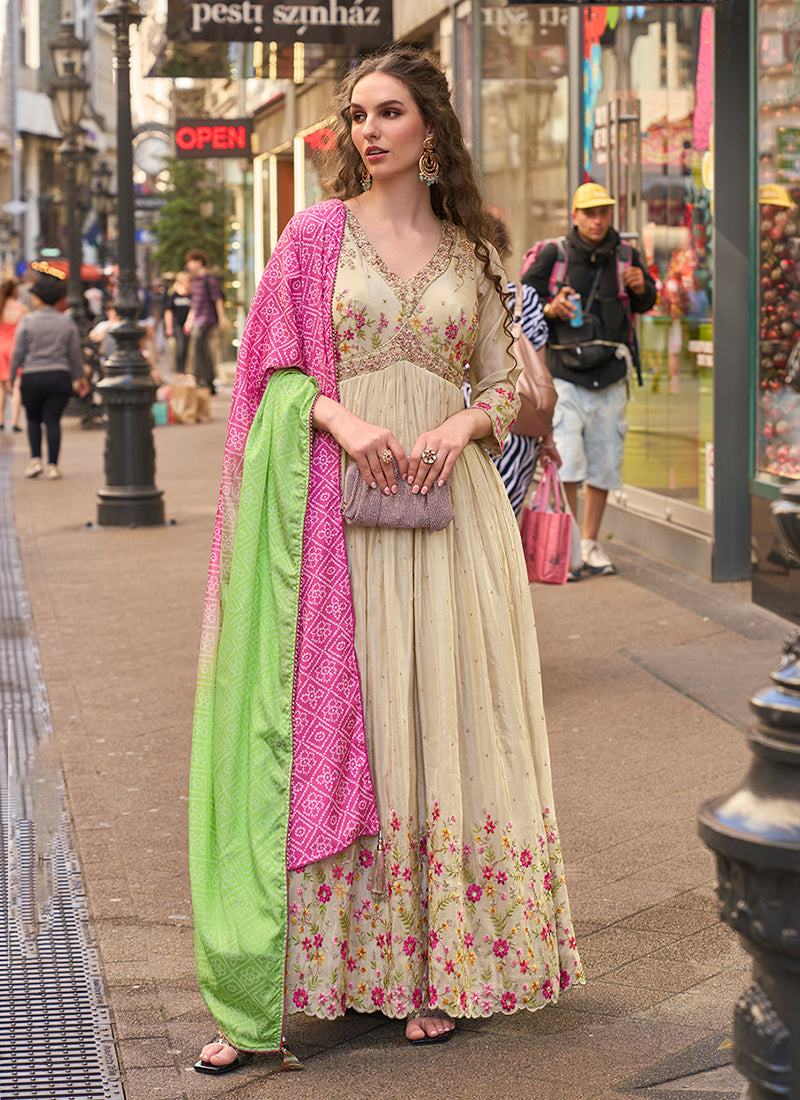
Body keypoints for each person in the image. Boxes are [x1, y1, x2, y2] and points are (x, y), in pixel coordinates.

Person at [190, 45, 583, 1075]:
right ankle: (319, 970)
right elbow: (264, 376)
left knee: (437, 721)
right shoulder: (315, 237)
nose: (366, 130)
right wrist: (337, 417)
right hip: (337, 522)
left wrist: (462, 424)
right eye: (356, 114)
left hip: (452, 526)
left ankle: (433, 969)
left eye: (388, 112)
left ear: (429, 126)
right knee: (345, 727)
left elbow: (515, 387)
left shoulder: (473, 250)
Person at [523, 182, 657, 578]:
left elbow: (647, 302)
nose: (598, 220)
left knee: (604, 462)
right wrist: (551, 308)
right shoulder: (555, 255)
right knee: (568, 461)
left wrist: (641, 287)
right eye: (590, 212)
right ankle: (571, 542)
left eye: (604, 212)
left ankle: (591, 543)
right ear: (575, 216)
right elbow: (521, 303)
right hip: (564, 376)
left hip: (611, 375)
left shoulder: (628, 255)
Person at [10, 271, 83, 479]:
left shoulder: (27, 321)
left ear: (38, 298)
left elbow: (18, 352)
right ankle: (52, 465)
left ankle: (35, 461)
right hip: (59, 376)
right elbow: (74, 354)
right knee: (53, 421)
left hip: (32, 376)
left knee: (33, 420)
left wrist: (12, 376)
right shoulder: (66, 322)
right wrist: (80, 377)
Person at [183, 249, 226, 392]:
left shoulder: (210, 280)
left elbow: (218, 300)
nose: (188, 265)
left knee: (203, 350)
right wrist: (189, 321)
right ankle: (204, 380)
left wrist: (222, 319)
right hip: (197, 321)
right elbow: (194, 305)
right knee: (200, 351)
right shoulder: (195, 281)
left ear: (199, 262)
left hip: (207, 320)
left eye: (191, 261)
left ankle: (206, 380)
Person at [0, 279, 28, 430]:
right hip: (14, 347)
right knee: (16, 385)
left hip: (0, 347)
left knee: (2, 386)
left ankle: (1, 419)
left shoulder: (0, 308)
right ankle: (15, 421)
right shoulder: (21, 309)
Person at [163, 270, 193, 375]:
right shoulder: (173, 295)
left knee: (188, 346)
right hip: (177, 324)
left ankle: (187, 369)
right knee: (180, 346)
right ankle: (180, 370)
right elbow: (168, 312)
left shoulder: (192, 295)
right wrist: (169, 327)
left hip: (189, 324)